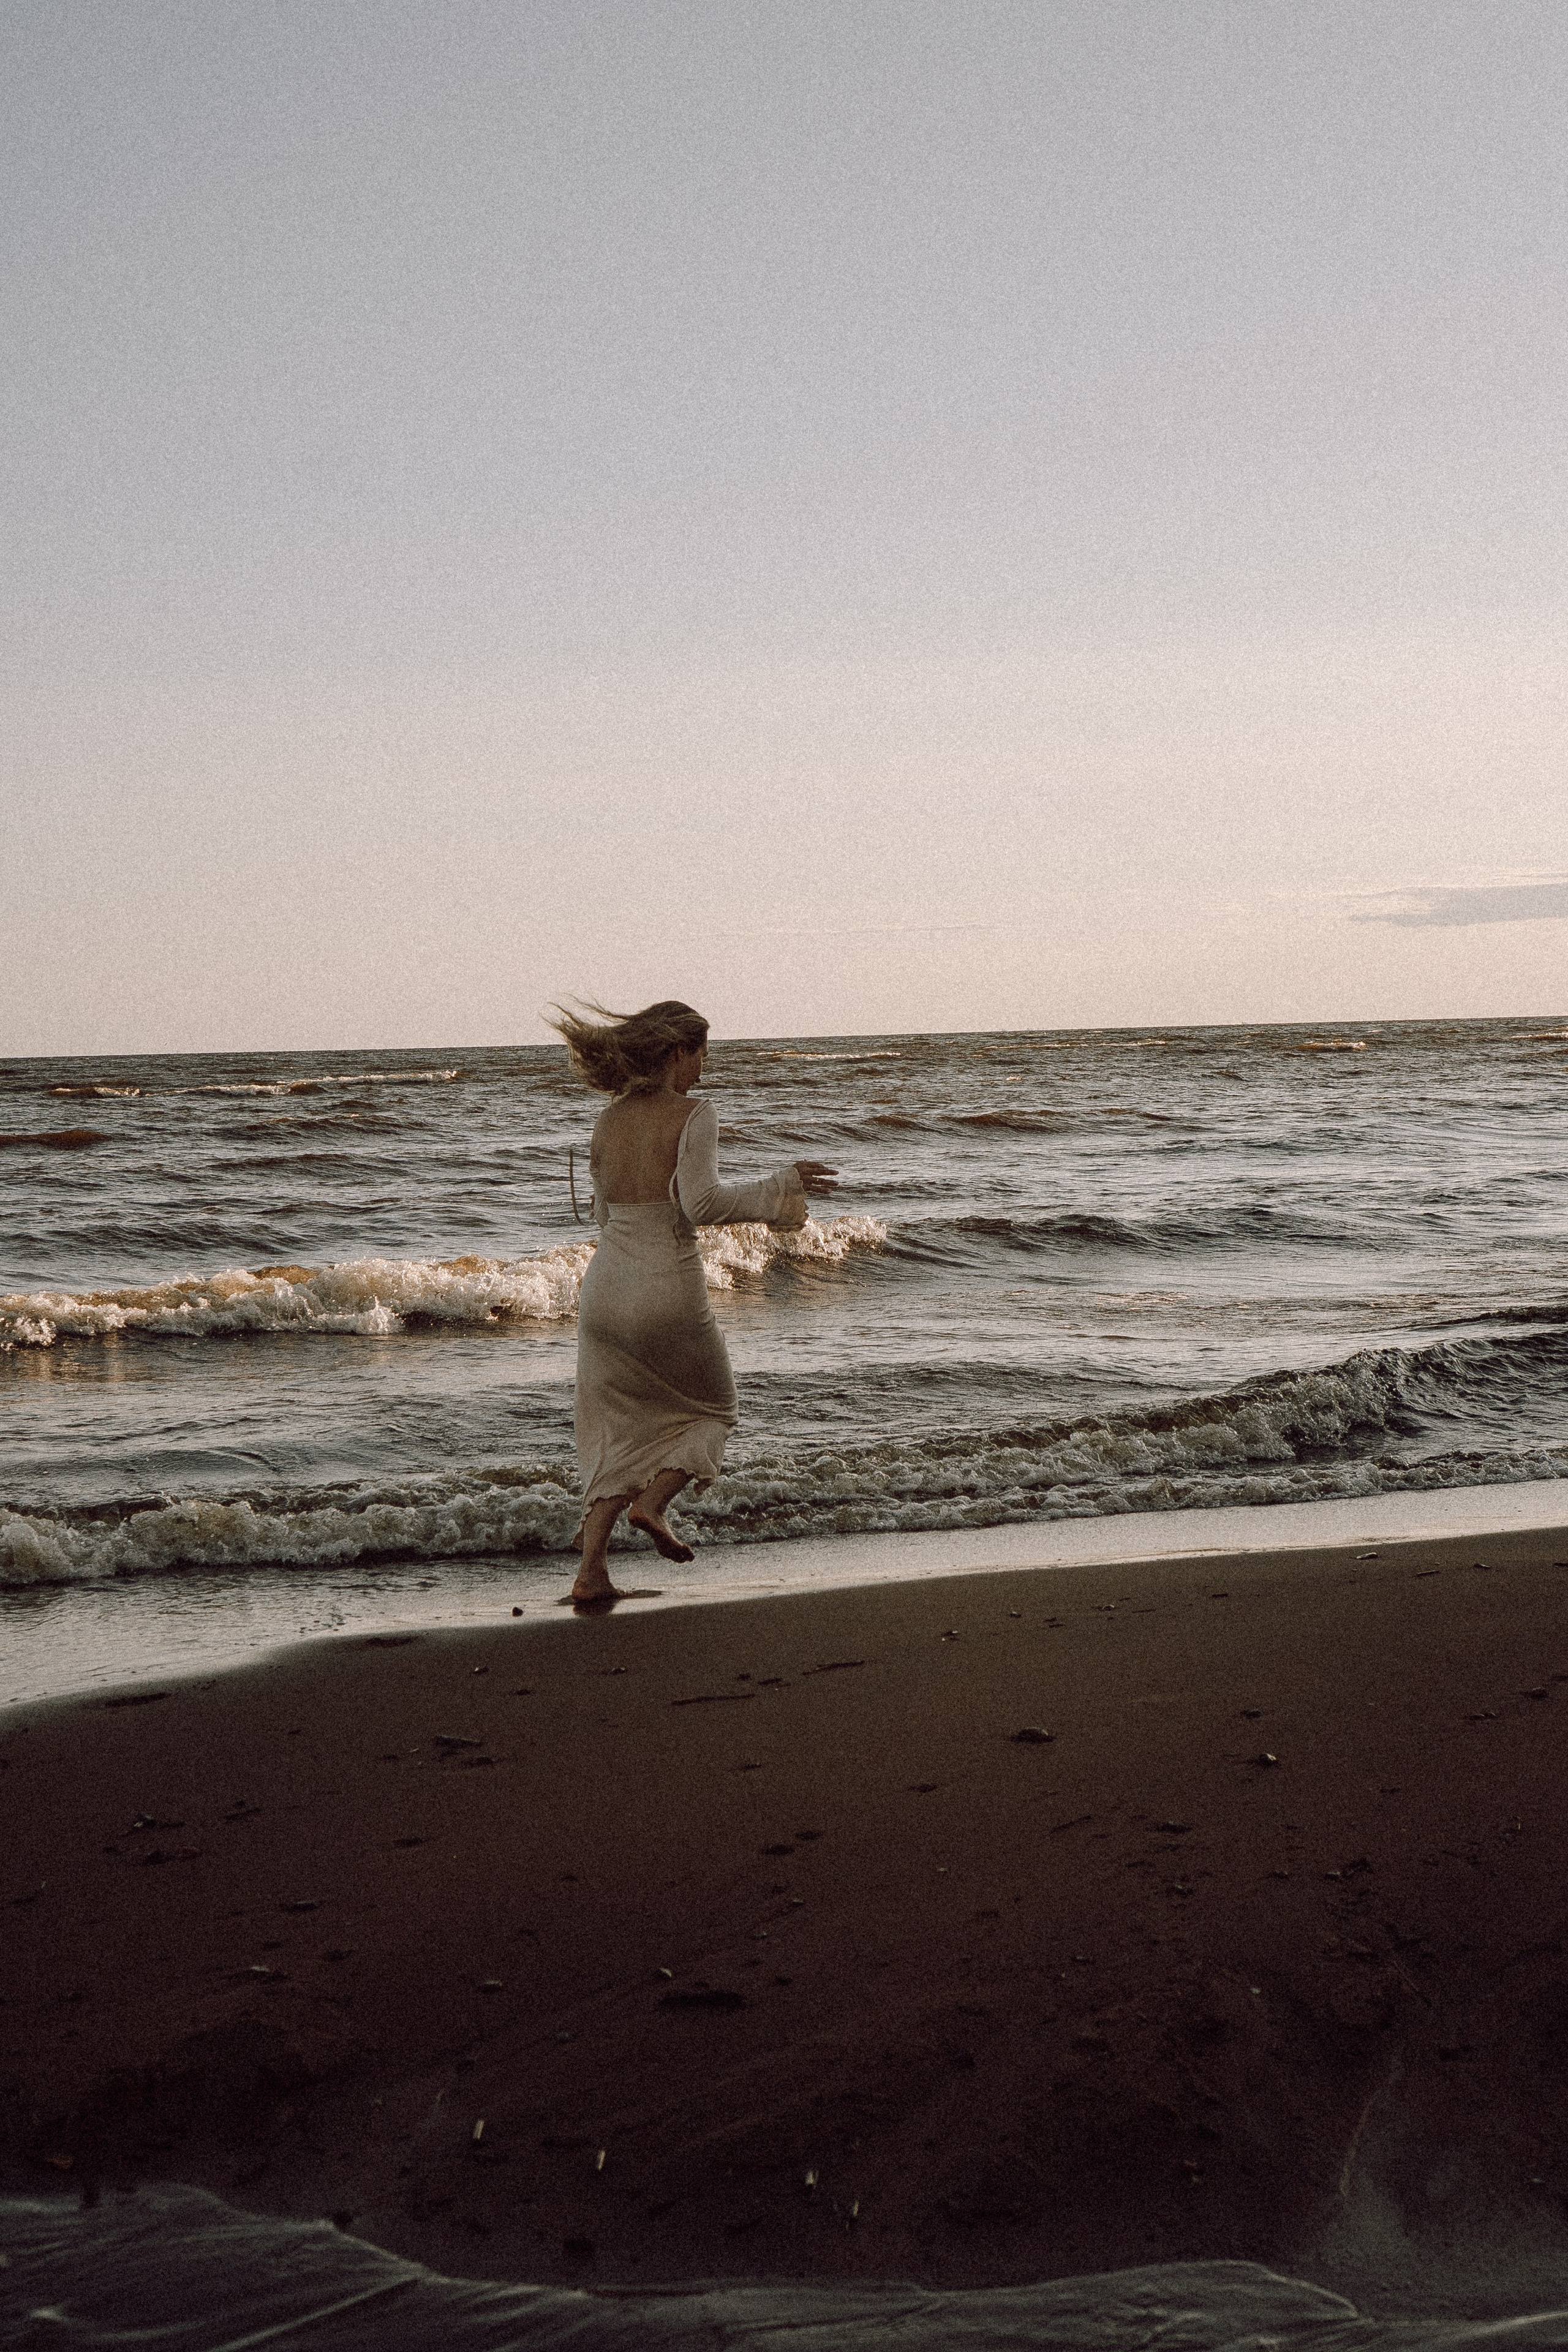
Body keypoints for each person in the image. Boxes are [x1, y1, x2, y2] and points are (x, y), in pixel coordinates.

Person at [550, 1000, 837, 1608]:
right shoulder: (695, 1114)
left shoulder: (607, 1120)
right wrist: (782, 1186)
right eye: (702, 1055)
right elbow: (700, 1204)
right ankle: (653, 1505)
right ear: (677, 1051)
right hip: (666, 1286)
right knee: (714, 1407)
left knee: (614, 1430)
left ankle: (591, 1573)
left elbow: (602, 1214)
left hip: (603, 1292)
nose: (704, 1070)